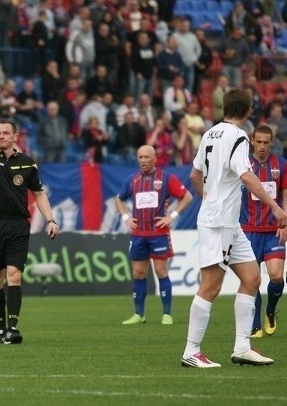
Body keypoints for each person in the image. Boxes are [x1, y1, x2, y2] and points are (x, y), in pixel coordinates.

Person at [181, 88, 287, 368]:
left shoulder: (210, 133)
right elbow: (247, 175)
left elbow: (194, 174)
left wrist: (209, 198)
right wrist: (275, 207)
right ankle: (191, 351)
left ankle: (242, 346)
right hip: (218, 222)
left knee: (252, 278)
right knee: (211, 286)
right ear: (248, 111)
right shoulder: (239, 136)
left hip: (228, 221)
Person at [0, 79, 60, 345]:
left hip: (19, 225)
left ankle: (13, 329)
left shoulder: (27, 163)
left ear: (14, 136)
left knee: (14, 275)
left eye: (4, 133)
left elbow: (39, 194)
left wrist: (51, 219)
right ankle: (0, 329)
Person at [115, 145, 193, 326]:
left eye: (146, 157)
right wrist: (126, 216)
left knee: (160, 271)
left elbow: (187, 196)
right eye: (140, 157)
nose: (143, 160)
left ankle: (166, 314)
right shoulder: (132, 180)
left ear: (155, 158)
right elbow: (119, 199)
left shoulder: (165, 178)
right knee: (139, 272)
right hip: (138, 234)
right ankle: (138, 314)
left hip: (158, 233)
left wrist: (172, 216)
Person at [239, 125, 287, 338]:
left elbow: (285, 195)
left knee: (276, 276)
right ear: (252, 141)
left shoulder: (281, 164)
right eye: (258, 142)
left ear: (272, 142)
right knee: (253, 279)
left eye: (266, 142)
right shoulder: (242, 164)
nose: (262, 146)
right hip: (248, 230)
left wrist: (284, 223)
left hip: (273, 231)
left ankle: (270, 311)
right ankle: (256, 323)